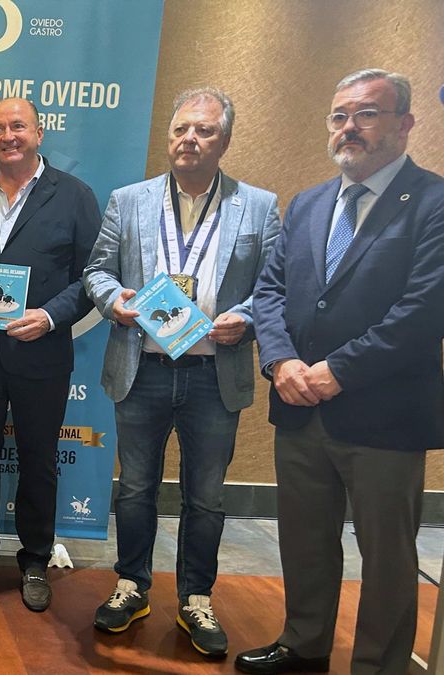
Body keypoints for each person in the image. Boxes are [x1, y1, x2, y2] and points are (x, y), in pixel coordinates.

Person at [240, 69, 444, 675]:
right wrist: (279, 362)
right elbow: (270, 291)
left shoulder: (433, 203)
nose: (349, 127)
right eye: (339, 115)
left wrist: (337, 371)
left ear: (405, 124)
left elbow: (424, 309)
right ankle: (304, 646)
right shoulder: (307, 203)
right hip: (299, 405)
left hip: (383, 413)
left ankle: (380, 665)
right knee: (304, 540)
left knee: (385, 555)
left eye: (367, 113)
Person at [83, 88, 281, 656]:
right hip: (141, 368)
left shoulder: (259, 206)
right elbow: (97, 270)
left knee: (207, 497)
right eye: (180, 129)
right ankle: (131, 586)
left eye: (204, 131)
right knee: (138, 487)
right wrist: (113, 301)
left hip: (212, 374)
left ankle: (197, 597)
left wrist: (241, 318)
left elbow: (273, 287)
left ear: (225, 141)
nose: (189, 139)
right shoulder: (129, 200)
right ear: (168, 136)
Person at [0, 97, 99, 613]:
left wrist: (52, 316)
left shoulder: (75, 197)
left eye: (18, 126)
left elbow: (92, 278)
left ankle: (35, 559)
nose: (7, 135)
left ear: (38, 132)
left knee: (38, 462)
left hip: (42, 355)